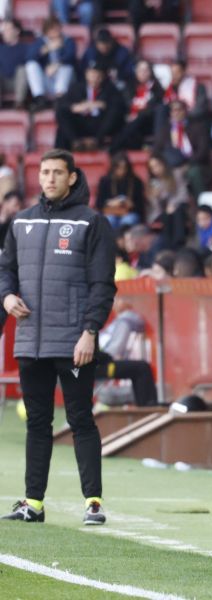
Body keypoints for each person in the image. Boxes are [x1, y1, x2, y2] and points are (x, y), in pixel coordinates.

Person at [0, 149, 116, 525]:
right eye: (44, 172)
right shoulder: (20, 222)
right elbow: (5, 270)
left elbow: (103, 285)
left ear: (72, 177)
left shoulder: (91, 222)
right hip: (31, 340)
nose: (48, 178)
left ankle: (93, 503)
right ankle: (33, 504)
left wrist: (90, 333)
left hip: (74, 342)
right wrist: (7, 296)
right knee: (37, 423)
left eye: (56, 172)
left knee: (81, 419)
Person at [54, 62, 126, 151]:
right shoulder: (76, 88)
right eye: (92, 74)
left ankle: (96, 141)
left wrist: (102, 105)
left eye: (98, 75)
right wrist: (75, 107)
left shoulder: (110, 89)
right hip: (81, 123)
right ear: (86, 74)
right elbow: (62, 104)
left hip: (100, 125)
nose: (94, 78)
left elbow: (119, 107)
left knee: (114, 112)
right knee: (61, 116)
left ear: (103, 76)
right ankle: (75, 142)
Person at [25, 17, 76, 109]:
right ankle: (39, 98)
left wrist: (57, 64)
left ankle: (60, 99)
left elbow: (70, 56)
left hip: (65, 81)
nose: (56, 31)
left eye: (57, 28)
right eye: (52, 29)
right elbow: (30, 57)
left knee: (66, 67)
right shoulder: (40, 41)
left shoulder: (68, 40)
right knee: (31, 65)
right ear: (46, 31)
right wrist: (47, 48)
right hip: (47, 78)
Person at [97, 152, 147, 229]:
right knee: (109, 220)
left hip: (130, 213)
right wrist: (110, 202)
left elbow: (141, 206)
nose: (122, 171)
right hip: (111, 212)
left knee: (127, 221)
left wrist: (131, 204)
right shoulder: (105, 181)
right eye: (119, 168)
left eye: (124, 168)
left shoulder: (136, 181)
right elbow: (99, 204)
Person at [0, 19, 29, 109]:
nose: (5, 32)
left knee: (22, 69)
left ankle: (19, 103)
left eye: (8, 29)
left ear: (17, 31)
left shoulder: (26, 48)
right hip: (3, 82)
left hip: (19, 83)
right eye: (4, 30)